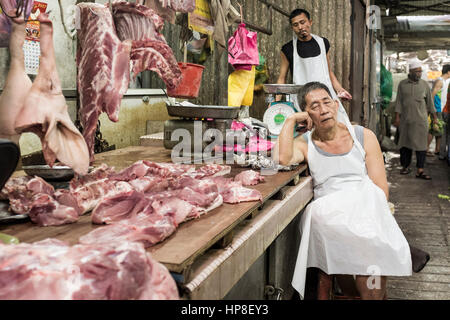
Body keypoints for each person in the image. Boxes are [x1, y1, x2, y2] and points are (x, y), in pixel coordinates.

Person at [274, 82, 412, 300]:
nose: (323, 109)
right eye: (314, 106)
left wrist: (364, 217)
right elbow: (282, 159)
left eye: (327, 102)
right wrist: (290, 119)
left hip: (365, 203)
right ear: (306, 114)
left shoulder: (363, 136)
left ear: (336, 105)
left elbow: (380, 188)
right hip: (330, 212)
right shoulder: (305, 143)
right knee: (364, 247)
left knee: (372, 251)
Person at [276, 8, 352, 116]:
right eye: (295, 25)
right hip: (302, 101)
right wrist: (276, 102)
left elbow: (328, 72)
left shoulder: (323, 43)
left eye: (303, 22)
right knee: (305, 130)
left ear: (310, 22)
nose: (300, 27)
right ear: (292, 28)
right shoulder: (287, 49)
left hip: (325, 98)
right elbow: (282, 77)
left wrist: (340, 90)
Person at [394, 60, 438, 180]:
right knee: (405, 145)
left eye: (420, 72)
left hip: (420, 121)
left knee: (421, 146)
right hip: (406, 121)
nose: (419, 74)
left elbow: (430, 103)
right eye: (417, 72)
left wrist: (435, 118)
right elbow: (398, 102)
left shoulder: (424, 85)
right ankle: (405, 167)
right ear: (411, 71)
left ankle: (420, 170)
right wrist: (397, 117)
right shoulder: (402, 84)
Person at [427, 65, 450, 157]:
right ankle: (426, 148)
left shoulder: (444, 81)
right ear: (448, 72)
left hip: (442, 109)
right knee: (433, 129)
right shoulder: (440, 81)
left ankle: (437, 149)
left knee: (440, 131)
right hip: (437, 109)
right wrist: (431, 110)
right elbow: (432, 95)